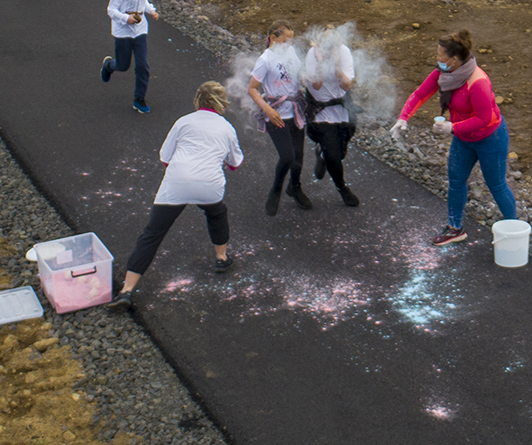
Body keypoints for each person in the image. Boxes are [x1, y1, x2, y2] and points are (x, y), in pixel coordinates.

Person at [108, 81, 244, 311]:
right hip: (209, 185)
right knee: (216, 212)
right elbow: (234, 163)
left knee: (152, 234)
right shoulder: (227, 127)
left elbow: (165, 156)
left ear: (198, 100)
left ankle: (126, 291)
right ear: (221, 103)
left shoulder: (183, 122)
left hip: (177, 181)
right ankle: (221, 258)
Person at [391, 29, 518, 246]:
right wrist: (403, 118)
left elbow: (484, 119)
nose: (437, 59)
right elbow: (421, 94)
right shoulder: (445, 74)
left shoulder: (478, 82)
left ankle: (514, 233)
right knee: (456, 181)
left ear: (455, 59)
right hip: (464, 138)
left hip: (490, 139)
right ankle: (455, 228)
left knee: (496, 184)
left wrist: (452, 127)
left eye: (441, 55)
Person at [248, 21, 310, 215]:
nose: (289, 45)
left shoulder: (290, 53)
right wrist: (267, 109)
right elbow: (252, 89)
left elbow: (296, 74)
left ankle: (295, 187)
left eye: (291, 41)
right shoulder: (265, 60)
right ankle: (276, 190)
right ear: (273, 39)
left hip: (295, 111)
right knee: (287, 156)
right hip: (276, 114)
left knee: (298, 156)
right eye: (285, 41)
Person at [304, 26, 360, 207]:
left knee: (341, 149)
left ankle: (322, 154)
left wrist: (336, 65)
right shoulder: (312, 56)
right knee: (334, 156)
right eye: (328, 48)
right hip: (320, 109)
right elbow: (317, 85)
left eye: (335, 48)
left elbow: (346, 85)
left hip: (341, 105)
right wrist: (321, 63)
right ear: (320, 45)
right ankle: (342, 188)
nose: (332, 51)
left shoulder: (344, 52)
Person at [101, 0, 158, 114]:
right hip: (123, 32)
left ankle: (139, 99)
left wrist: (151, 10)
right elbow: (111, 10)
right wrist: (127, 19)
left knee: (142, 65)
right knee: (123, 65)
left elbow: (143, 1)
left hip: (140, 30)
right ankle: (108, 66)